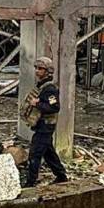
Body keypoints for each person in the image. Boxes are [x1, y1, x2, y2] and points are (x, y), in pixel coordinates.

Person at [21, 56, 67, 188]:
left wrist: (38, 103)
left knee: (35, 154)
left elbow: (54, 107)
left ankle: (30, 183)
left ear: (48, 71)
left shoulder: (50, 89)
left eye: (40, 68)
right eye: (36, 68)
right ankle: (61, 176)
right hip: (41, 125)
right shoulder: (41, 86)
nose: (37, 71)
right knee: (48, 153)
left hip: (45, 127)